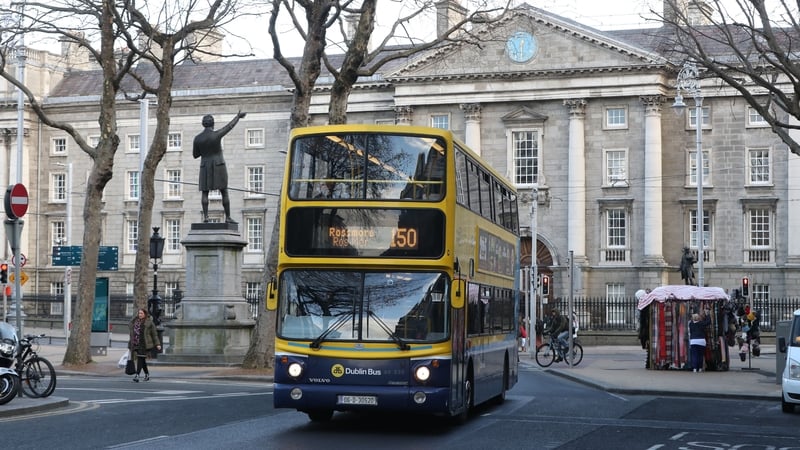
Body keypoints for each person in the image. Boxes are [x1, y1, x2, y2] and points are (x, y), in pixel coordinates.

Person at [193, 111, 247, 223]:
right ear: (213, 124)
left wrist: (204, 151)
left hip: (205, 166)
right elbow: (229, 127)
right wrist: (237, 117)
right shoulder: (216, 135)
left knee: (205, 192)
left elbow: (195, 155)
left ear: (203, 124)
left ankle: (206, 217)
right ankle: (228, 217)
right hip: (219, 165)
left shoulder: (197, 138)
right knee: (224, 191)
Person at [128, 308, 161, 382]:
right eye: (139, 313)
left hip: (145, 344)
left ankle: (137, 375)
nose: (140, 315)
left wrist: (157, 344)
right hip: (136, 343)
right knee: (142, 360)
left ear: (145, 314)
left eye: (141, 313)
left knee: (140, 358)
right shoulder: (135, 321)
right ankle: (147, 374)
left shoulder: (149, 322)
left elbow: (154, 334)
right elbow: (130, 327)